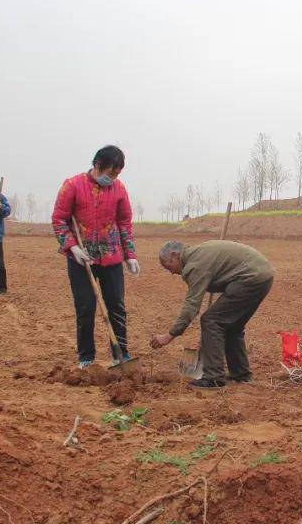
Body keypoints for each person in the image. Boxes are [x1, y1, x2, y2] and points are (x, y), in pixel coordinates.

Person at [51, 145, 140, 369]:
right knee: (86, 307)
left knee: (116, 306)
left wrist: (130, 254)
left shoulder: (119, 190)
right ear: (97, 165)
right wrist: (72, 247)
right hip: (81, 259)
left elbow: (124, 223)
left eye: (117, 174)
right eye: (111, 173)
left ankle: (121, 354)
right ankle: (86, 357)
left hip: (111, 257)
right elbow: (59, 220)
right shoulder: (72, 186)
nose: (113, 178)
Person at [150, 240, 274, 389]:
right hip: (263, 275)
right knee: (232, 325)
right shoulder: (198, 253)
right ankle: (240, 374)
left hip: (250, 278)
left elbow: (191, 306)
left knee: (211, 320)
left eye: (168, 265)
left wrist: (169, 335)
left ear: (175, 255)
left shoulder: (194, 265)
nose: (171, 272)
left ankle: (213, 378)